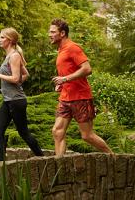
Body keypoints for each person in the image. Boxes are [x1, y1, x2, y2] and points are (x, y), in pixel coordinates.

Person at [48, 18, 113, 157]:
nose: (49, 34)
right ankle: (59, 166)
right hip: (65, 97)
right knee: (57, 131)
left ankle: (113, 157)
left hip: (80, 98)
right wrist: (62, 84)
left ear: (62, 33)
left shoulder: (73, 48)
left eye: (53, 32)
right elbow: (69, 72)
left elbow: (87, 69)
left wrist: (65, 78)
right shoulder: (61, 50)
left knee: (87, 136)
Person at [0, 27, 44, 162]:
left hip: (16, 101)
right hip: (8, 100)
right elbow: (25, 75)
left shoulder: (14, 56)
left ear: (10, 40)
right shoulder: (10, 56)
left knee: (23, 133)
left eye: (2, 37)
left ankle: (42, 158)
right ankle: (1, 163)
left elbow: (16, 78)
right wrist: (15, 85)